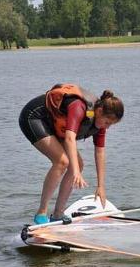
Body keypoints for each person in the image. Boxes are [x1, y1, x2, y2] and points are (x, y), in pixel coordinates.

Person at [18, 84, 124, 224]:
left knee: (78, 165)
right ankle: (41, 213)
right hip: (34, 117)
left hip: (54, 125)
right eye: (107, 122)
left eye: (111, 125)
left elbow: (100, 151)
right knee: (62, 162)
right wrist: (74, 172)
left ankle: (57, 215)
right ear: (99, 111)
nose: (107, 127)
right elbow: (69, 139)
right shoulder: (79, 107)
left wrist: (100, 186)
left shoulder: (99, 124)